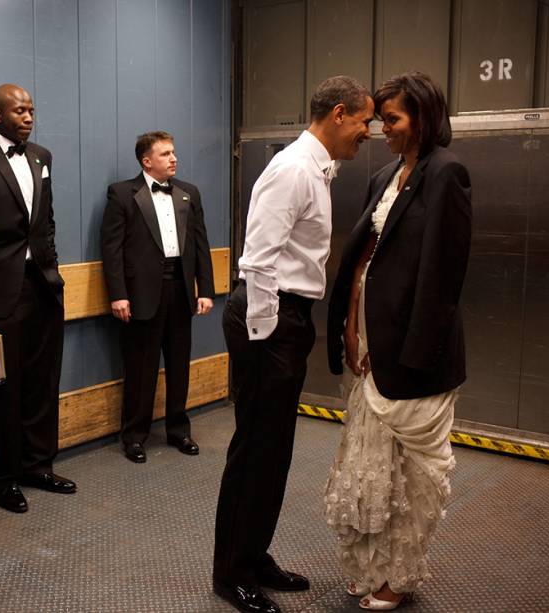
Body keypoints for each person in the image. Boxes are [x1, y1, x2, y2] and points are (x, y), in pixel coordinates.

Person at [213, 76, 374, 613]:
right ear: (337, 114)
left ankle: (254, 556)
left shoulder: (317, 169)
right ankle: (230, 573)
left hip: (288, 317)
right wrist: (265, 340)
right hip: (269, 317)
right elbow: (257, 261)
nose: (367, 132)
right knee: (255, 448)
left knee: (274, 450)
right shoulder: (292, 169)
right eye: (363, 120)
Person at [324, 71, 472, 611]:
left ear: (424, 118)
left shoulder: (446, 174)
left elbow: (441, 280)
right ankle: (370, 568)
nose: (382, 129)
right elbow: (364, 258)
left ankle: (399, 577)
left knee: (415, 478)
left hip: (414, 357)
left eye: (393, 119)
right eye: (381, 118)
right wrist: (347, 324)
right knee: (372, 467)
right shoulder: (385, 175)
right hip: (370, 345)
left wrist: (411, 357)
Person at [0, 84, 75, 513]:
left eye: (31, 109)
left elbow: (46, 222)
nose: (28, 117)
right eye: (19, 110)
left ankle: (38, 465)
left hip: (43, 284)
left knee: (44, 379)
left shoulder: (42, 156)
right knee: (5, 387)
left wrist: (55, 270)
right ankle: (3, 476)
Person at [100, 131, 215, 464]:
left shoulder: (189, 194)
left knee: (179, 365)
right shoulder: (122, 194)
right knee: (141, 369)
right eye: (165, 154)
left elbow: (200, 245)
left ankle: (179, 431)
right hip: (140, 295)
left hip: (180, 290)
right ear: (146, 161)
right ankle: (134, 436)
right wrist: (118, 295)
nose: (173, 158)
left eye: (174, 152)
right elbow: (112, 250)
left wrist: (205, 289)